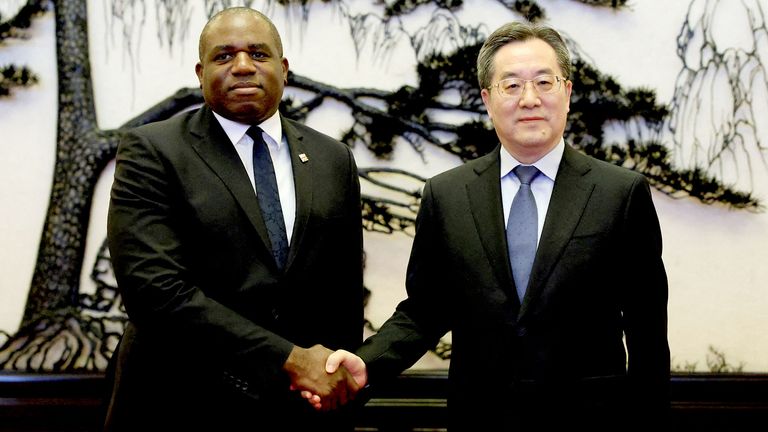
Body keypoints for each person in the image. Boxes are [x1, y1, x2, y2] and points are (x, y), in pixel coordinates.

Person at [319, 21, 670, 430]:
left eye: (544, 81)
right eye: (512, 85)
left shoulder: (620, 193)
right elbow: (424, 311)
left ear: (568, 92)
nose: (530, 99)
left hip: (590, 423)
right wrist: (366, 362)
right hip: (481, 421)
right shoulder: (447, 195)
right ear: (487, 99)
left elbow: (648, 334)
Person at [103, 6, 364, 431]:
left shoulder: (332, 158)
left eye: (258, 54)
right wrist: (291, 359)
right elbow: (155, 293)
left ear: (283, 68)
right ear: (200, 71)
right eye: (224, 56)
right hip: (180, 405)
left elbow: (345, 288)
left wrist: (336, 377)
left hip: (303, 412)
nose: (243, 66)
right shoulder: (153, 150)